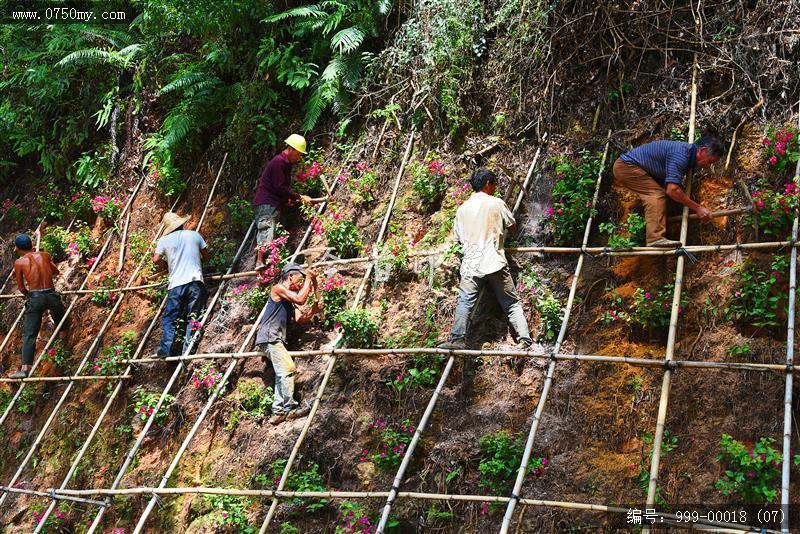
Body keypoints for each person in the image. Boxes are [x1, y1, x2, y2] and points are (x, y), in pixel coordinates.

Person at [439, 169, 533, 350]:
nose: (495, 187)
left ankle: (457, 339)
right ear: (488, 183)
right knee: (511, 303)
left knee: (465, 302)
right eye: (494, 184)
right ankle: (524, 339)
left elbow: (458, 238)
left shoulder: (462, 209)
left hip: (471, 264)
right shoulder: (496, 203)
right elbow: (512, 227)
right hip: (494, 261)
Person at [613, 134, 725, 247]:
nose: (708, 165)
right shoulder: (681, 155)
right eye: (710, 161)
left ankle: (656, 235)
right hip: (627, 166)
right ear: (702, 150)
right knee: (656, 195)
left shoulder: (686, 155)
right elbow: (672, 190)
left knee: (659, 194)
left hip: (636, 167)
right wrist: (698, 208)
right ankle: (655, 238)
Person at [256, 262, 322, 425]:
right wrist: (309, 279)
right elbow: (301, 299)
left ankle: (277, 412)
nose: (300, 284)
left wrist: (313, 310)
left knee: (282, 372)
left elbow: (300, 319)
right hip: (270, 336)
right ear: (290, 276)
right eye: (299, 280)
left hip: (275, 338)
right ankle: (290, 409)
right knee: (287, 368)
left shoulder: (289, 299)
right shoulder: (277, 289)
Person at [253, 134, 325, 272]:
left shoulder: (285, 164)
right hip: (266, 203)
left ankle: (269, 262)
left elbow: (280, 188)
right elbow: (279, 187)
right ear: (291, 149)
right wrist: (299, 196)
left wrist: (287, 200)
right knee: (266, 228)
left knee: (272, 231)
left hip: (273, 203)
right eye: (298, 154)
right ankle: (260, 261)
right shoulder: (279, 162)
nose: (299, 158)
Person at [153, 212, 210, 358]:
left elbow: (156, 259)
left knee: (170, 318)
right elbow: (207, 256)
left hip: (176, 285)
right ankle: (187, 351)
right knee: (193, 317)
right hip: (195, 281)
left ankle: (166, 350)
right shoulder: (194, 235)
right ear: (181, 223)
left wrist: (167, 265)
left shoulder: (164, 240)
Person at [11, 234, 68, 378]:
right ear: (32, 244)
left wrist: (29, 296)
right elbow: (56, 271)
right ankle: (63, 339)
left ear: (17, 248)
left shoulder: (19, 262)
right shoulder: (45, 255)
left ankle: (25, 369)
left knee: (30, 333)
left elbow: (21, 287)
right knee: (59, 314)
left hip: (35, 297)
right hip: (51, 294)